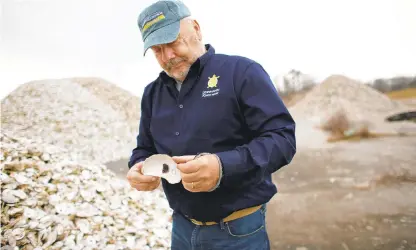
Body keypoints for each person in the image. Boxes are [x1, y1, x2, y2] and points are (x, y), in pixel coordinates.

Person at [127, 0, 296, 249]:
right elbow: (144, 148)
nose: (168, 56)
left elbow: (282, 138)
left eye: (173, 42)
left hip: (239, 232)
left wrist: (222, 167)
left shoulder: (242, 72)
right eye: (157, 50)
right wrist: (138, 167)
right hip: (181, 230)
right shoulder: (152, 94)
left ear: (196, 28)